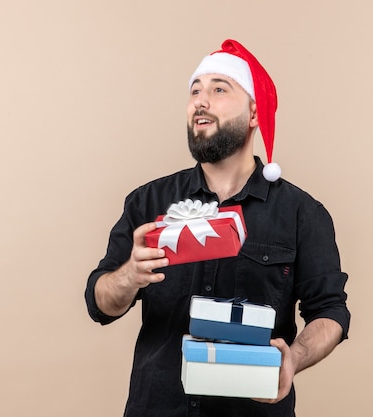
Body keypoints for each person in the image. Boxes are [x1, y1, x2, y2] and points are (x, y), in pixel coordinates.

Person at [85, 39, 350, 417]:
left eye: (218, 89)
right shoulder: (148, 202)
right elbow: (99, 304)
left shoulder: (302, 213)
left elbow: (330, 311)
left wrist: (294, 358)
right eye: (195, 91)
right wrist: (130, 275)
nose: (200, 101)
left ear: (254, 113)